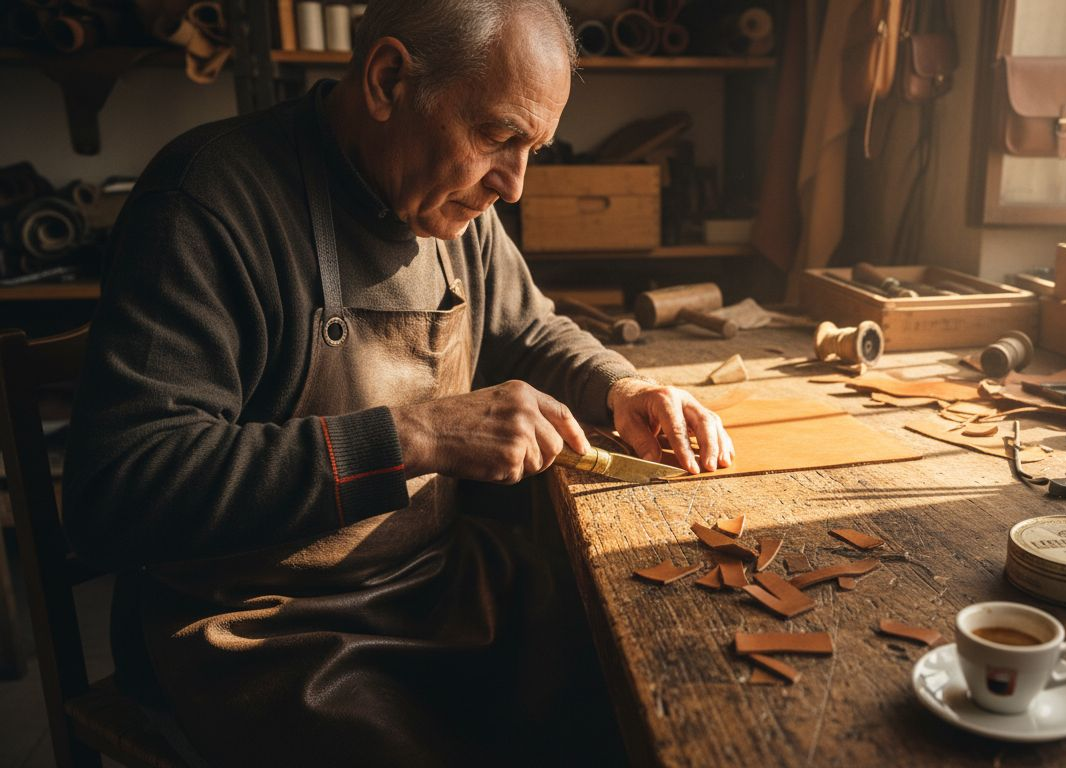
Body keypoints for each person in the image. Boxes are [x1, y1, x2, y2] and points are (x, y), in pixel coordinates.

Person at [62, 0, 733, 764]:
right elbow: (115, 492)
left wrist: (621, 387)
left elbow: (528, 329)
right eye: (498, 136)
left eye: (532, 148)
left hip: (435, 584)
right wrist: (416, 435)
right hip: (262, 628)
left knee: (650, 678)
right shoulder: (207, 200)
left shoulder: (455, 201)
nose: (512, 186)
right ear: (387, 81)